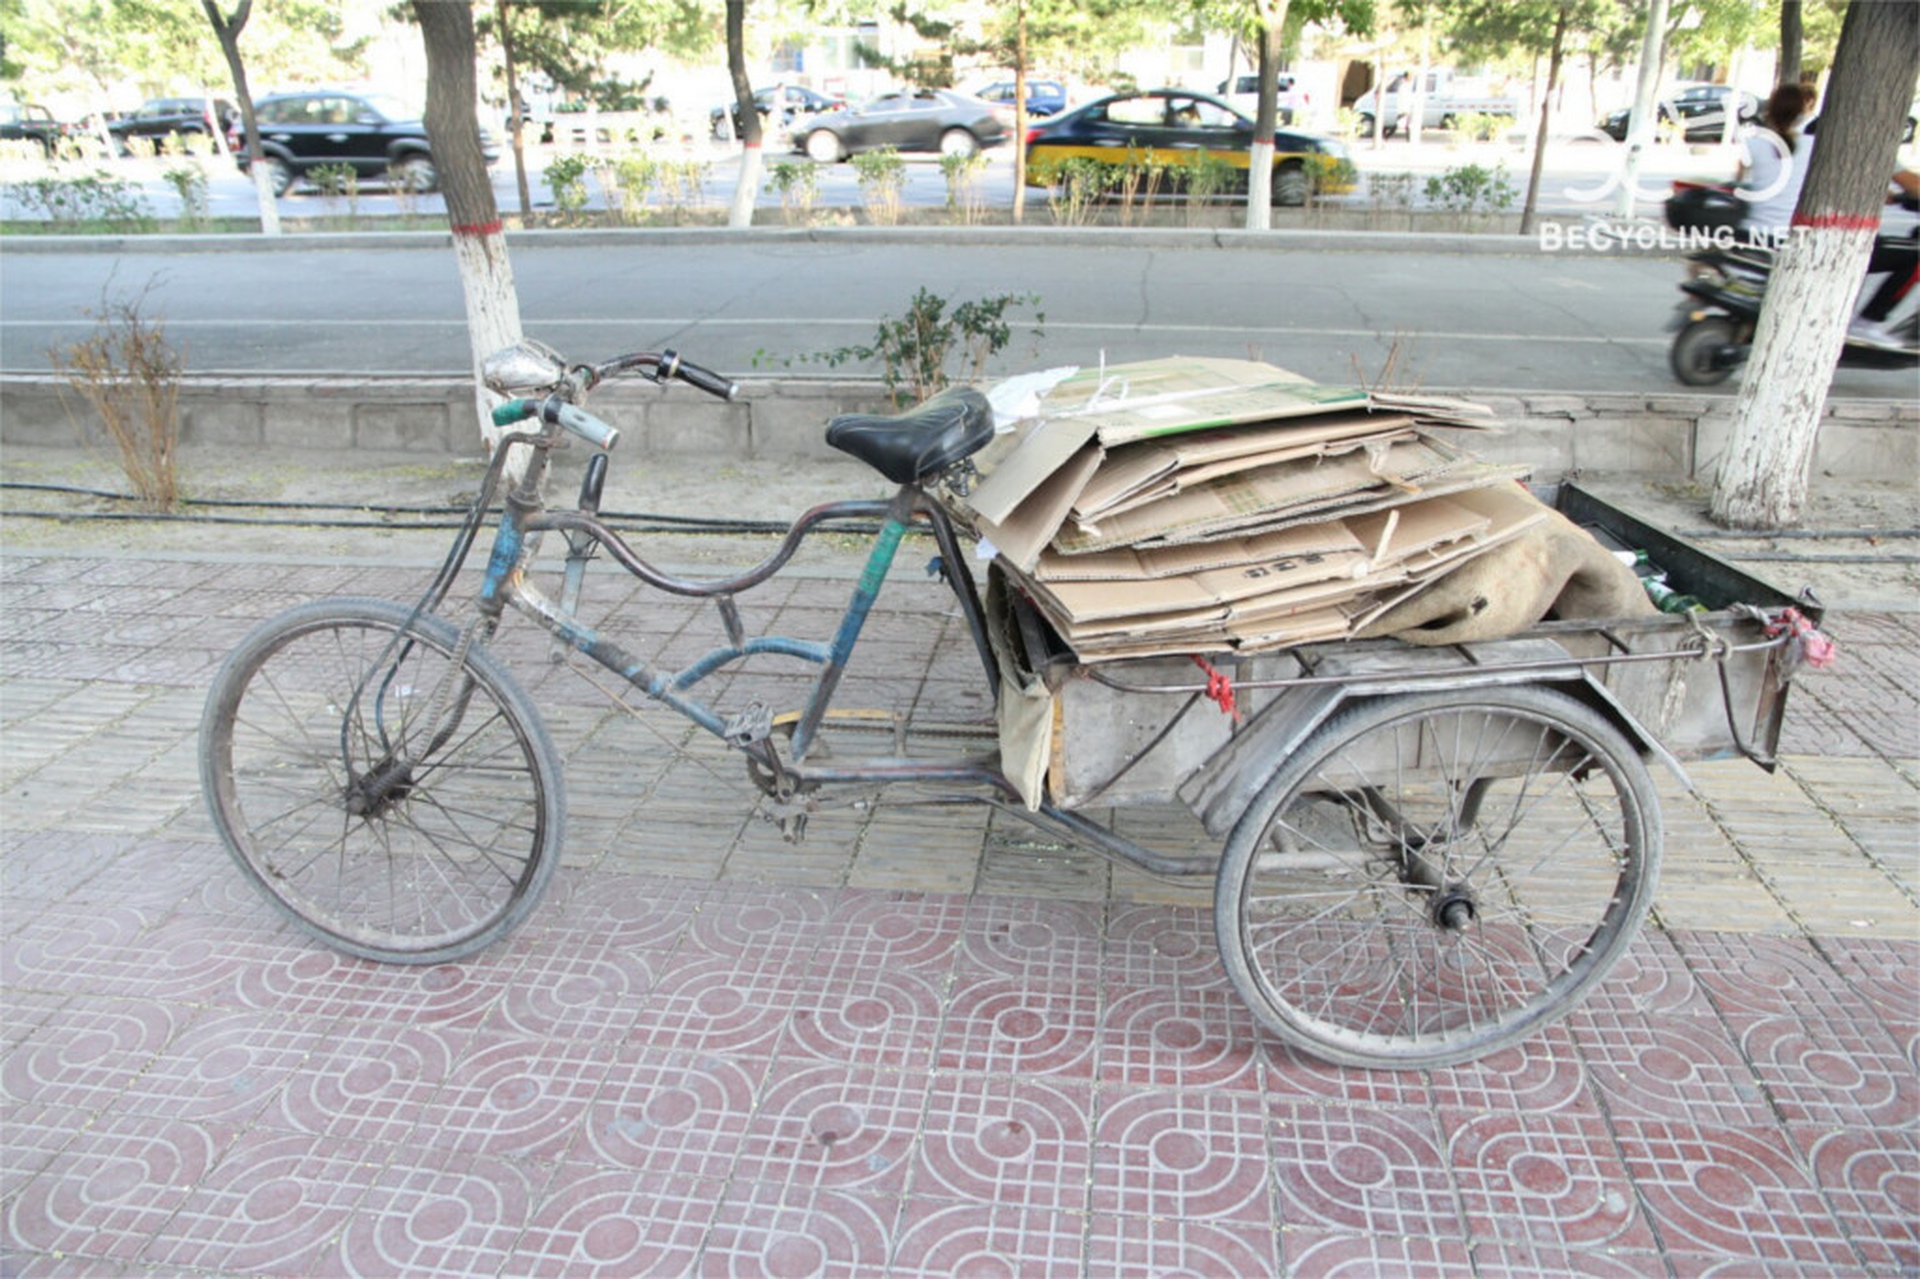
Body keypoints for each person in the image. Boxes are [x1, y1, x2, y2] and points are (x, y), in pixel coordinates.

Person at [1848, 168, 1919, 349]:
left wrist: (1898, 198)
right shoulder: (1874, 152)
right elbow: (1915, 185)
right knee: (1917, 257)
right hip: (1842, 238)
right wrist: (1905, 196)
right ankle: (1866, 324)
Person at [1735, 83, 1818, 235]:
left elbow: (1738, 182)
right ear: (1801, 113)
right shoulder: (1813, 146)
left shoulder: (1752, 143)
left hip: (1751, 231)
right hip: (1789, 235)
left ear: (1769, 111)